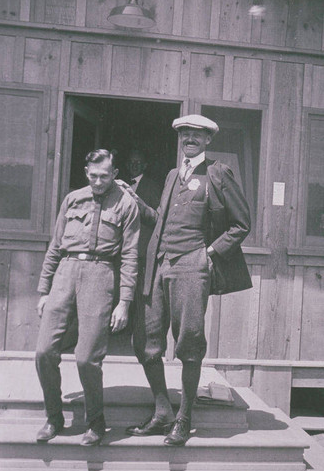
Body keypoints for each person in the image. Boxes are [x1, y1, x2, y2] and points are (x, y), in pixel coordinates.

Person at [124, 114, 252, 446]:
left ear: (208, 140)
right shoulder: (170, 175)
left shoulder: (218, 173)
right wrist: (135, 200)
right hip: (159, 264)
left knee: (189, 343)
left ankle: (185, 418)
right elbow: (158, 219)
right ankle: (162, 409)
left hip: (192, 266)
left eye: (197, 134)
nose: (190, 138)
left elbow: (241, 224)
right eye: (185, 134)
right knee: (146, 343)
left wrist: (210, 253)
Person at [35, 149, 140, 446]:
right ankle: (54, 417)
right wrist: (44, 290)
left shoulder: (126, 204)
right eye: (93, 175)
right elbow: (55, 247)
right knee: (44, 352)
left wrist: (124, 301)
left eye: (104, 176)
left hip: (100, 274)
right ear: (86, 172)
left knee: (86, 358)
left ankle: (95, 422)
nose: (97, 181)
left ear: (115, 174)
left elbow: (131, 255)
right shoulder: (73, 199)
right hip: (65, 273)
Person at [126, 149, 162, 339]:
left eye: (138, 162)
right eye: (131, 162)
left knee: (140, 291)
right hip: (122, 248)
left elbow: (157, 217)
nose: (134, 165)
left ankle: (137, 332)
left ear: (145, 166)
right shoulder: (120, 185)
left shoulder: (152, 186)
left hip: (141, 248)